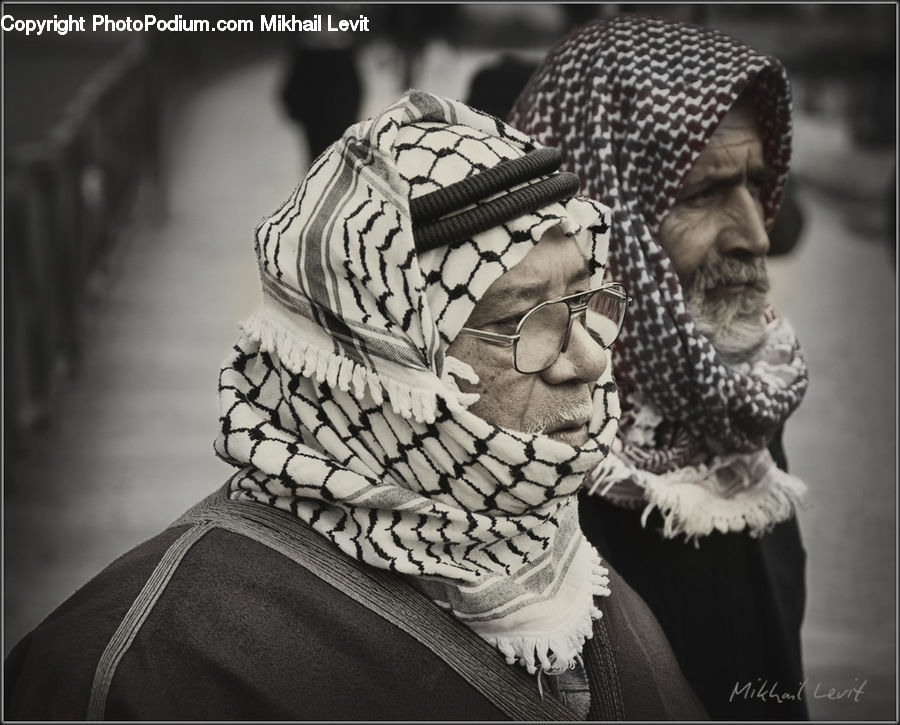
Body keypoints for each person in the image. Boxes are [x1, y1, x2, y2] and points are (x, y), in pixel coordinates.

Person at [4, 91, 707, 721]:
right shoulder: (145, 670)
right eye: (527, 319)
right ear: (384, 366)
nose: (588, 358)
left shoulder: (575, 575)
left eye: (586, 302)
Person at [509, 15, 811, 721]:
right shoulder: (528, 459)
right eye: (703, 194)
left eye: (756, 184)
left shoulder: (733, 400)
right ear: (598, 211)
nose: (756, 235)